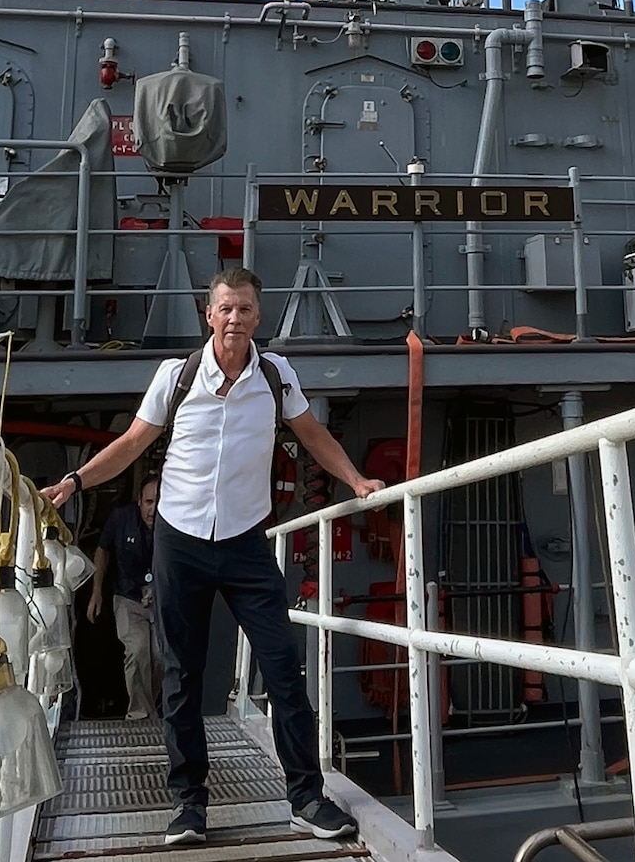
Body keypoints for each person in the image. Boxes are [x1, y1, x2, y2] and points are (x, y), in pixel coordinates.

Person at [42, 267, 384, 846]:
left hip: (247, 543)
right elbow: (131, 444)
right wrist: (75, 481)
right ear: (209, 314)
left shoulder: (275, 378)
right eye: (225, 309)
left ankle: (305, 797)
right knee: (182, 676)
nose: (234, 319)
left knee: (282, 668)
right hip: (180, 541)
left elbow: (312, 435)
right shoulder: (174, 378)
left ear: (258, 317)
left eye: (245, 310)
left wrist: (355, 479)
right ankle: (188, 806)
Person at [88, 478, 160, 721]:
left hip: (161, 600)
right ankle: (140, 714)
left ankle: (149, 708)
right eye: (149, 502)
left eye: (159, 503)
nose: (154, 509)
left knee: (161, 656)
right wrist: (96, 591)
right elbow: (102, 549)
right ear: (140, 502)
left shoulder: (175, 523)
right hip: (127, 597)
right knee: (138, 650)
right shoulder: (121, 518)